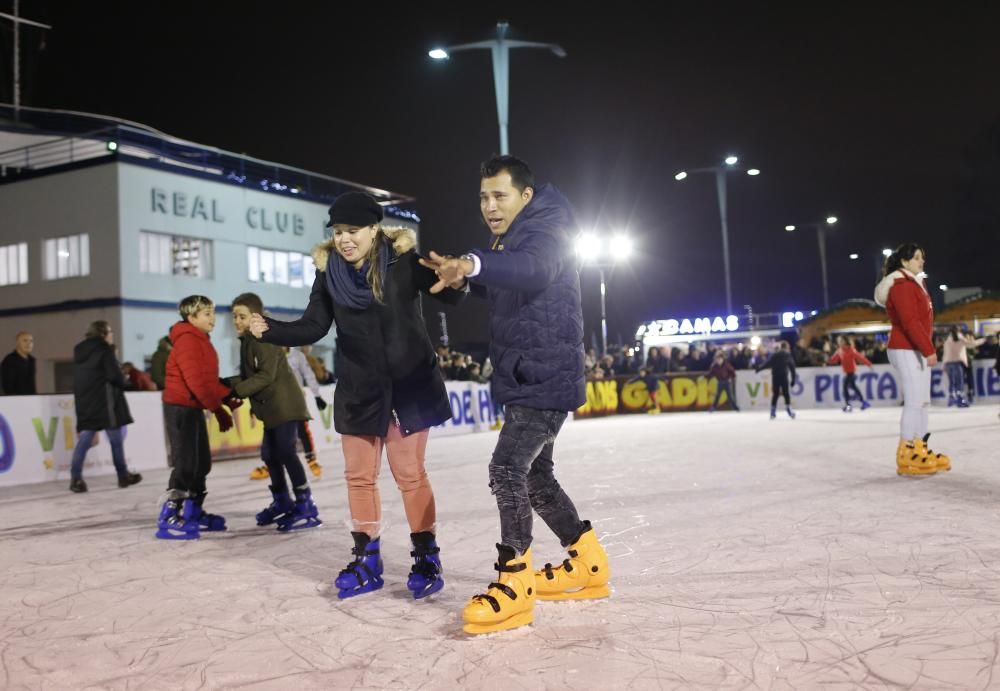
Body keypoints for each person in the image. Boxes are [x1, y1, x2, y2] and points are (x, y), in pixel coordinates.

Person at [420, 154, 611, 635]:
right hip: (528, 372)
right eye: (483, 197)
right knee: (536, 478)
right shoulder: (516, 236)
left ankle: (515, 583)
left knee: (507, 469)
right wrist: (460, 281)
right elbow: (510, 284)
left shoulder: (547, 229)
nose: (489, 205)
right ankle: (587, 565)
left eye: (499, 195)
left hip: (543, 373)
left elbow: (533, 270)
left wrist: (475, 262)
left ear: (525, 196)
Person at [248, 191, 462, 600]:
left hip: (408, 387)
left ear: (373, 229)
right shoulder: (329, 273)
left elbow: (446, 293)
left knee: (409, 475)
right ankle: (368, 558)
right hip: (360, 388)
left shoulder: (403, 263)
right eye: (338, 232)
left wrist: (456, 279)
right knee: (359, 477)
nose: (345, 239)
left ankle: (426, 555)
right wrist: (271, 328)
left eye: (352, 231)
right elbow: (313, 326)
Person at [230, 293, 321, 532]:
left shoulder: (262, 338)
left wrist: (237, 390)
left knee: (285, 452)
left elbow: (265, 375)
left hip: (284, 406)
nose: (236, 321)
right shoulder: (248, 340)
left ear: (255, 317)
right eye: (234, 316)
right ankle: (282, 499)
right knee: (270, 455)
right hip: (273, 408)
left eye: (241, 316)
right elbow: (250, 376)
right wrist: (225, 384)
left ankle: (305, 503)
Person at [156, 295, 242, 540]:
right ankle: (168, 516)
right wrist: (218, 409)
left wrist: (226, 397)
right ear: (191, 317)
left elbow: (207, 381)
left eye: (212, 312)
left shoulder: (202, 340)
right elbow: (195, 382)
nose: (212, 318)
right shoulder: (187, 341)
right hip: (180, 408)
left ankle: (193, 511)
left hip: (193, 407)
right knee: (185, 463)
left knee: (201, 462)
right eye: (206, 313)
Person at [874, 243, 949, 475]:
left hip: (916, 348)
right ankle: (905, 452)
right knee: (914, 400)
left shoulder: (916, 283)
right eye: (917, 258)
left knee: (923, 400)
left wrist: (925, 347)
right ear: (905, 262)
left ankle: (920, 447)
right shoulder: (901, 285)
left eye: (922, 258)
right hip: (905, 348)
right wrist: (928, 349)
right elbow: (910, 322)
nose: (921, 261)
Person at [68, 321, 143, 493]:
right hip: (105, 403)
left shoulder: (79, 351)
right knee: (116, 441)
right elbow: (114, 376)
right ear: (102, 334)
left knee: (84, 441)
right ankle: (123, 475)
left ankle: (76, 478)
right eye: (110, 332)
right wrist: (126, 381)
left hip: (86, 402)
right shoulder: (104, 350)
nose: (111, 335)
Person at [249, 346, 326, 481]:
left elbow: (308, 374)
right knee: (272, 430)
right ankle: (270, 463)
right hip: (274, 400)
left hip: (295, 399)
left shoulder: (297, 356)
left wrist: (317, 395)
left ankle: (311, 458)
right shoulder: (269, 356)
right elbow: (262, 379)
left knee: (301, 428)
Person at [828, 336, 873, 412]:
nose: (840, 343)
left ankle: (848, 405)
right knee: (853, 387)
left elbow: (860, 358)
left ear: (845, 341)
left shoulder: (851, 350)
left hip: (852, 372)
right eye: (839, 341)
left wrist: (869, 364)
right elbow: (834, 360)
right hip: (846, 372)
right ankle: (863, 402)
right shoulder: (839, 351)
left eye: (841, 341)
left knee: (845, 387)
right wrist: (827, 361)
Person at [755, 341, 797, 419]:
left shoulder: (775, 354)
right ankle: (788, 409)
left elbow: (768, 363)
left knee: (775, 394)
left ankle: (773, 412)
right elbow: (792, 367)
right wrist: (793, 379)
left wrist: (759, 368)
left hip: (776, 377)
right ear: (787, 347)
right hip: (784, 376)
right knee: (786, 393)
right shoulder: (787, 355)